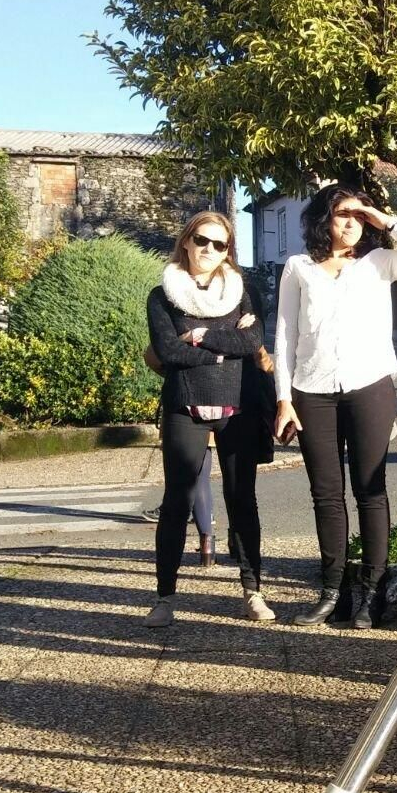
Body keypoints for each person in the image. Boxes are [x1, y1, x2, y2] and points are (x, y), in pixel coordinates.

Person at [274, 185, 397, 629]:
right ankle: (332, 591)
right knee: (326, 494)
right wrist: (284, 398)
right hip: (311, 390)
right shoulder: (299, 268)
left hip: (370, 386)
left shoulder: (379, 263)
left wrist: (382, 218)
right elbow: (285, 335)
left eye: (356, 216)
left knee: (371, 490)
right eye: (341, 214)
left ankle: (372, 592)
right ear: (323, 219)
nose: (349, 223)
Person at [143, 211, 273, 627]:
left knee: (242, 500)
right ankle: (164, 597)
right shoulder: (162, 295)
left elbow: (252, 340)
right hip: (186, 404)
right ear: (186, 241)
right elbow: (168, 352)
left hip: (238, 406)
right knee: (176, 501)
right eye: (202, 240)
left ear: (228, 252)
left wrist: (200, 337)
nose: (209, 250)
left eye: (220, 245)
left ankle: (253, 591)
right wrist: (226, 345)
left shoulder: (242, 290)